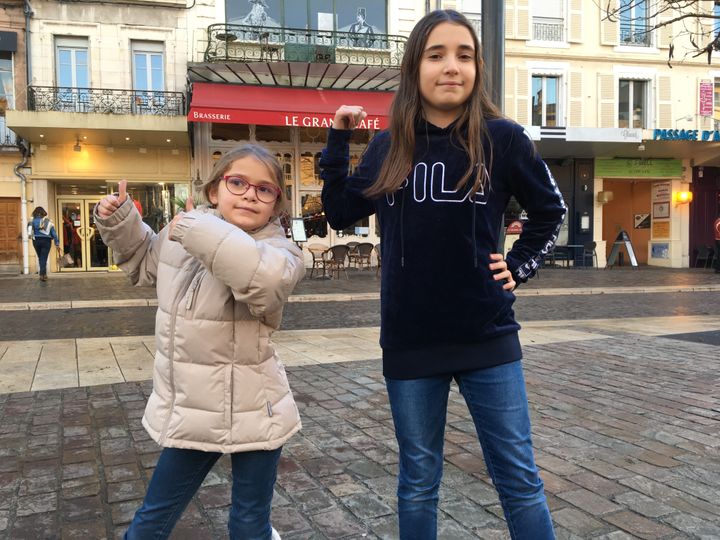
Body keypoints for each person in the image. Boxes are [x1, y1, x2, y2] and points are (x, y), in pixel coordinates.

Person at [319, 9, 565, 540]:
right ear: (415, 68)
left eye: (464, 55)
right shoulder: (390, 145)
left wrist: (519, 266)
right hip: (410, 341)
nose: (451, 66)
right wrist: (339, 140)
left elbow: (552, 212)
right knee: (416, 481)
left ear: (477, 68)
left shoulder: (504, 139)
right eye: (436, 55)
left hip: (488, 337)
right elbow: (340, 210)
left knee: (519, 481)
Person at [94, 144, 305, 540]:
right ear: (214, 190)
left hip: (256, 409)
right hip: (195, 407)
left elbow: (262, 279)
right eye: (237, 182)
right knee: (150, 523)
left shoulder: (282, 251)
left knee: (248, 525)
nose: (249, 194)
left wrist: (194, 225)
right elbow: (143, 263)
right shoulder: (185, 234)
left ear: (276, 205)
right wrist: (121, 221)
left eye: (265, 190)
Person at [28, 206, 59, 281]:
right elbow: (54, 233)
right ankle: (42, 275)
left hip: (36, 240)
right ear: (43, 213)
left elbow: (29, 232)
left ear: (35, 213)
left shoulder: (31, 221)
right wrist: (56, 242)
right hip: (46, 241)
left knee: (40, 257)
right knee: (43, 258)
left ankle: (43, 274)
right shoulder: (48, 222)